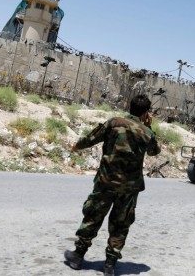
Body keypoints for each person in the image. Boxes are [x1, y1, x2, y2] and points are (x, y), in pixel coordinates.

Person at [64, 94, 161, 275]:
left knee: (93, 216)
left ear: (129, 106)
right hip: (129, 188)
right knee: (121, 224)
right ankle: (110, 264)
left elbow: (92, 138)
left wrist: (76, 146)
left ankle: (78, 256)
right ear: (146, 112)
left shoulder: (114, 123)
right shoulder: (146, 133)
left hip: (106, 182)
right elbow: (155, 151)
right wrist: (148, 126)